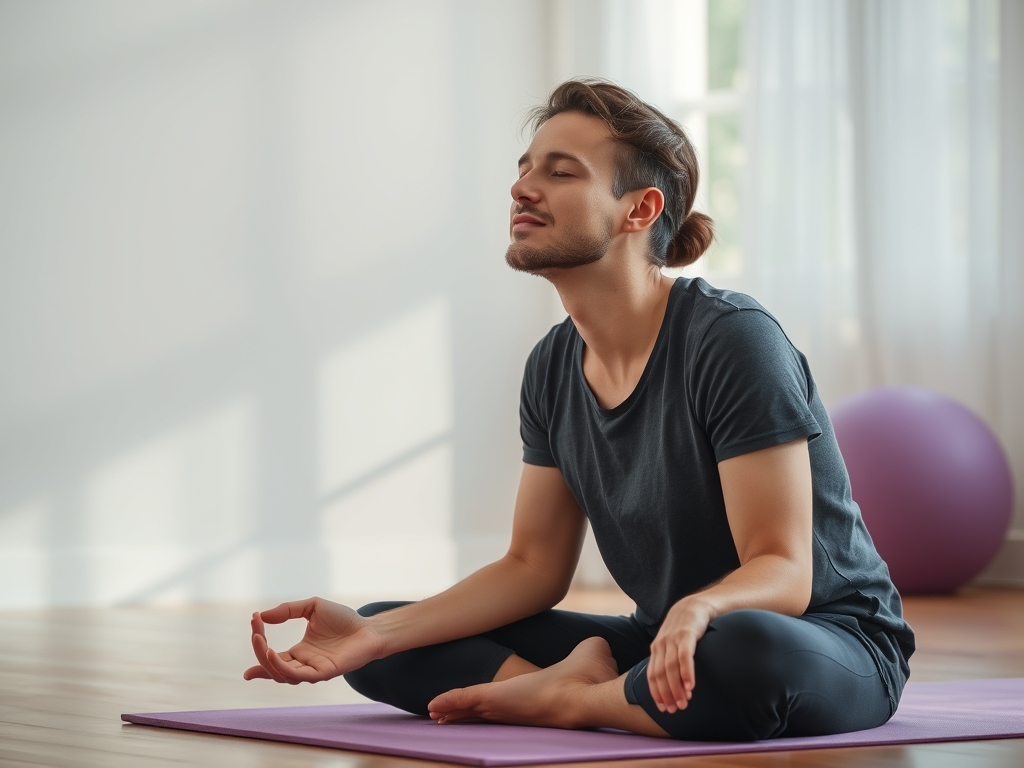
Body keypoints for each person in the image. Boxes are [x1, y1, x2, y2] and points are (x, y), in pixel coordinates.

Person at [243, 79, 914, 741]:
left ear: (640, 209)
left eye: (560, 173)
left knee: (741, 656)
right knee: (388, 642)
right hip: (662, 642)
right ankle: (599, 693)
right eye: (524, 169)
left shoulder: (732, 338)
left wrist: (699, 608)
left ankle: (570, 701)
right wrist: (374, 633)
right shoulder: (552, 365)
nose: (521, 188)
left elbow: (785, 569)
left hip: (821, 637)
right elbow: (532, 567)